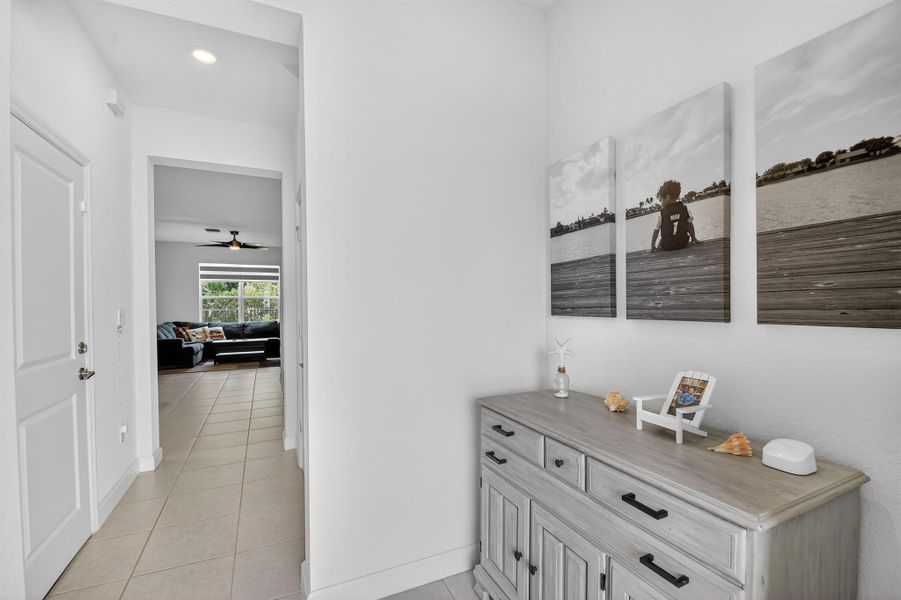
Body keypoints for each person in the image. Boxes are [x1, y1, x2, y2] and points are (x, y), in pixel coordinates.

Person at [650, 180, 701, 251]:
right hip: (683, 243)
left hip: (667, 246)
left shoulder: (662, 213)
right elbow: (689, 225)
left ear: (667, 197)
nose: (661, 204)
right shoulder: (685, 209)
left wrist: (652, 246)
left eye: (661, 200)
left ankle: (659, 246)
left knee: (662, 241)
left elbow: (656, 230)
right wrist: (694, 239)